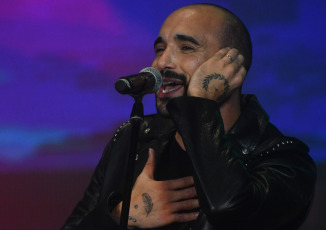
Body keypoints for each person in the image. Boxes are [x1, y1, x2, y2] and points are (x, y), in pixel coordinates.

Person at [61, 3, 316, 230]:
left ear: (230, 65)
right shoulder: (131, 138)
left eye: (186, 47)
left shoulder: (285, 159)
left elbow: (229, 209)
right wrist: (120, 215)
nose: (161, 63)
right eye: (160, 49)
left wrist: (199, 104)